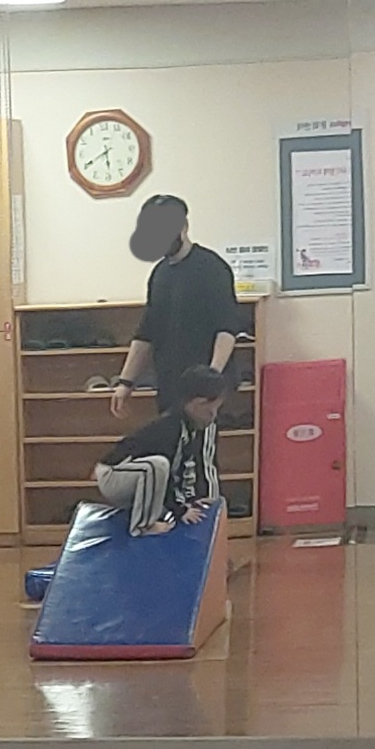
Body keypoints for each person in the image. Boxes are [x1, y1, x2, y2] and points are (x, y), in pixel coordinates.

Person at [110, 197, 244, 417]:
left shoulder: (212, 268)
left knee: (199, 439)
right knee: (171, 439)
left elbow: (226, 328)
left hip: (204, 387)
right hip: (169, 384)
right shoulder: (159, 274)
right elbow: (147, 332)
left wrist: (211, 379)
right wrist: (126, 382)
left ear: (183, 226)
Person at [97, 364, 225, 536]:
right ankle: (142, 526)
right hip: (114, 475)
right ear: (197, 404)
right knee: (158, 465)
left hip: (136, 477)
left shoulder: (188, 430)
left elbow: (183, 471)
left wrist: (191, 500)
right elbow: (167, 474)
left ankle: (150, 515)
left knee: (160, 467)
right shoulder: (170, 428)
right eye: (211, 410)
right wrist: (180, 510)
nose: (213, 416)